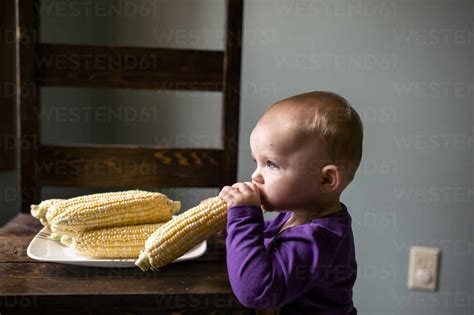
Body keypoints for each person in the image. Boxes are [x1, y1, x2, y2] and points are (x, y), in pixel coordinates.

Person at [218, 91, 363, 314]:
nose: (256, 176)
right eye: (256, 162)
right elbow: (262, 242)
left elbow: (255, 291)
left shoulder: (320, 239)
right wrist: (228, 225)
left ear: (326, 179)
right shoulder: (295, 216)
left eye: (271, 164)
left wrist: (243, 219)